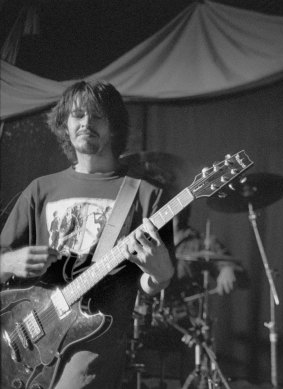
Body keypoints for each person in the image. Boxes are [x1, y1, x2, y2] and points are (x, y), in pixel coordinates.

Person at [0, 80, 175, 389]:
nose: (85, 123)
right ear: (64, 125)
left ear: (114, 126)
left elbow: (151, 283)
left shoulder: (147, 195)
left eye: (97, 116)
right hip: (26, 335)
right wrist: (9, 262)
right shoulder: (40, 189)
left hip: (94, 342)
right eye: (77, 115)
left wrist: (160, 276)